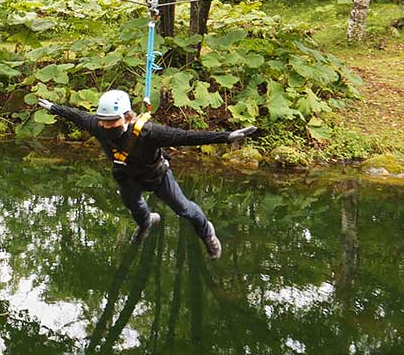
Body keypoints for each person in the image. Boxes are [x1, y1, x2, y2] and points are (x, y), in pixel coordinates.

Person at [38, 90, 257, 257]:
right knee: (135, 207)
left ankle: (207, 232)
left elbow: (186, 137)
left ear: (126, 117)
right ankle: (146, 223)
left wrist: (226, 137)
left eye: (112, 121)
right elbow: (76, 115)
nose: (106, 126)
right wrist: (53, 108)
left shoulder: (148, 133)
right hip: (126, 176)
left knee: (184, 209)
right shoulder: (98, 125)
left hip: (157, 176)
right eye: (103, 121)